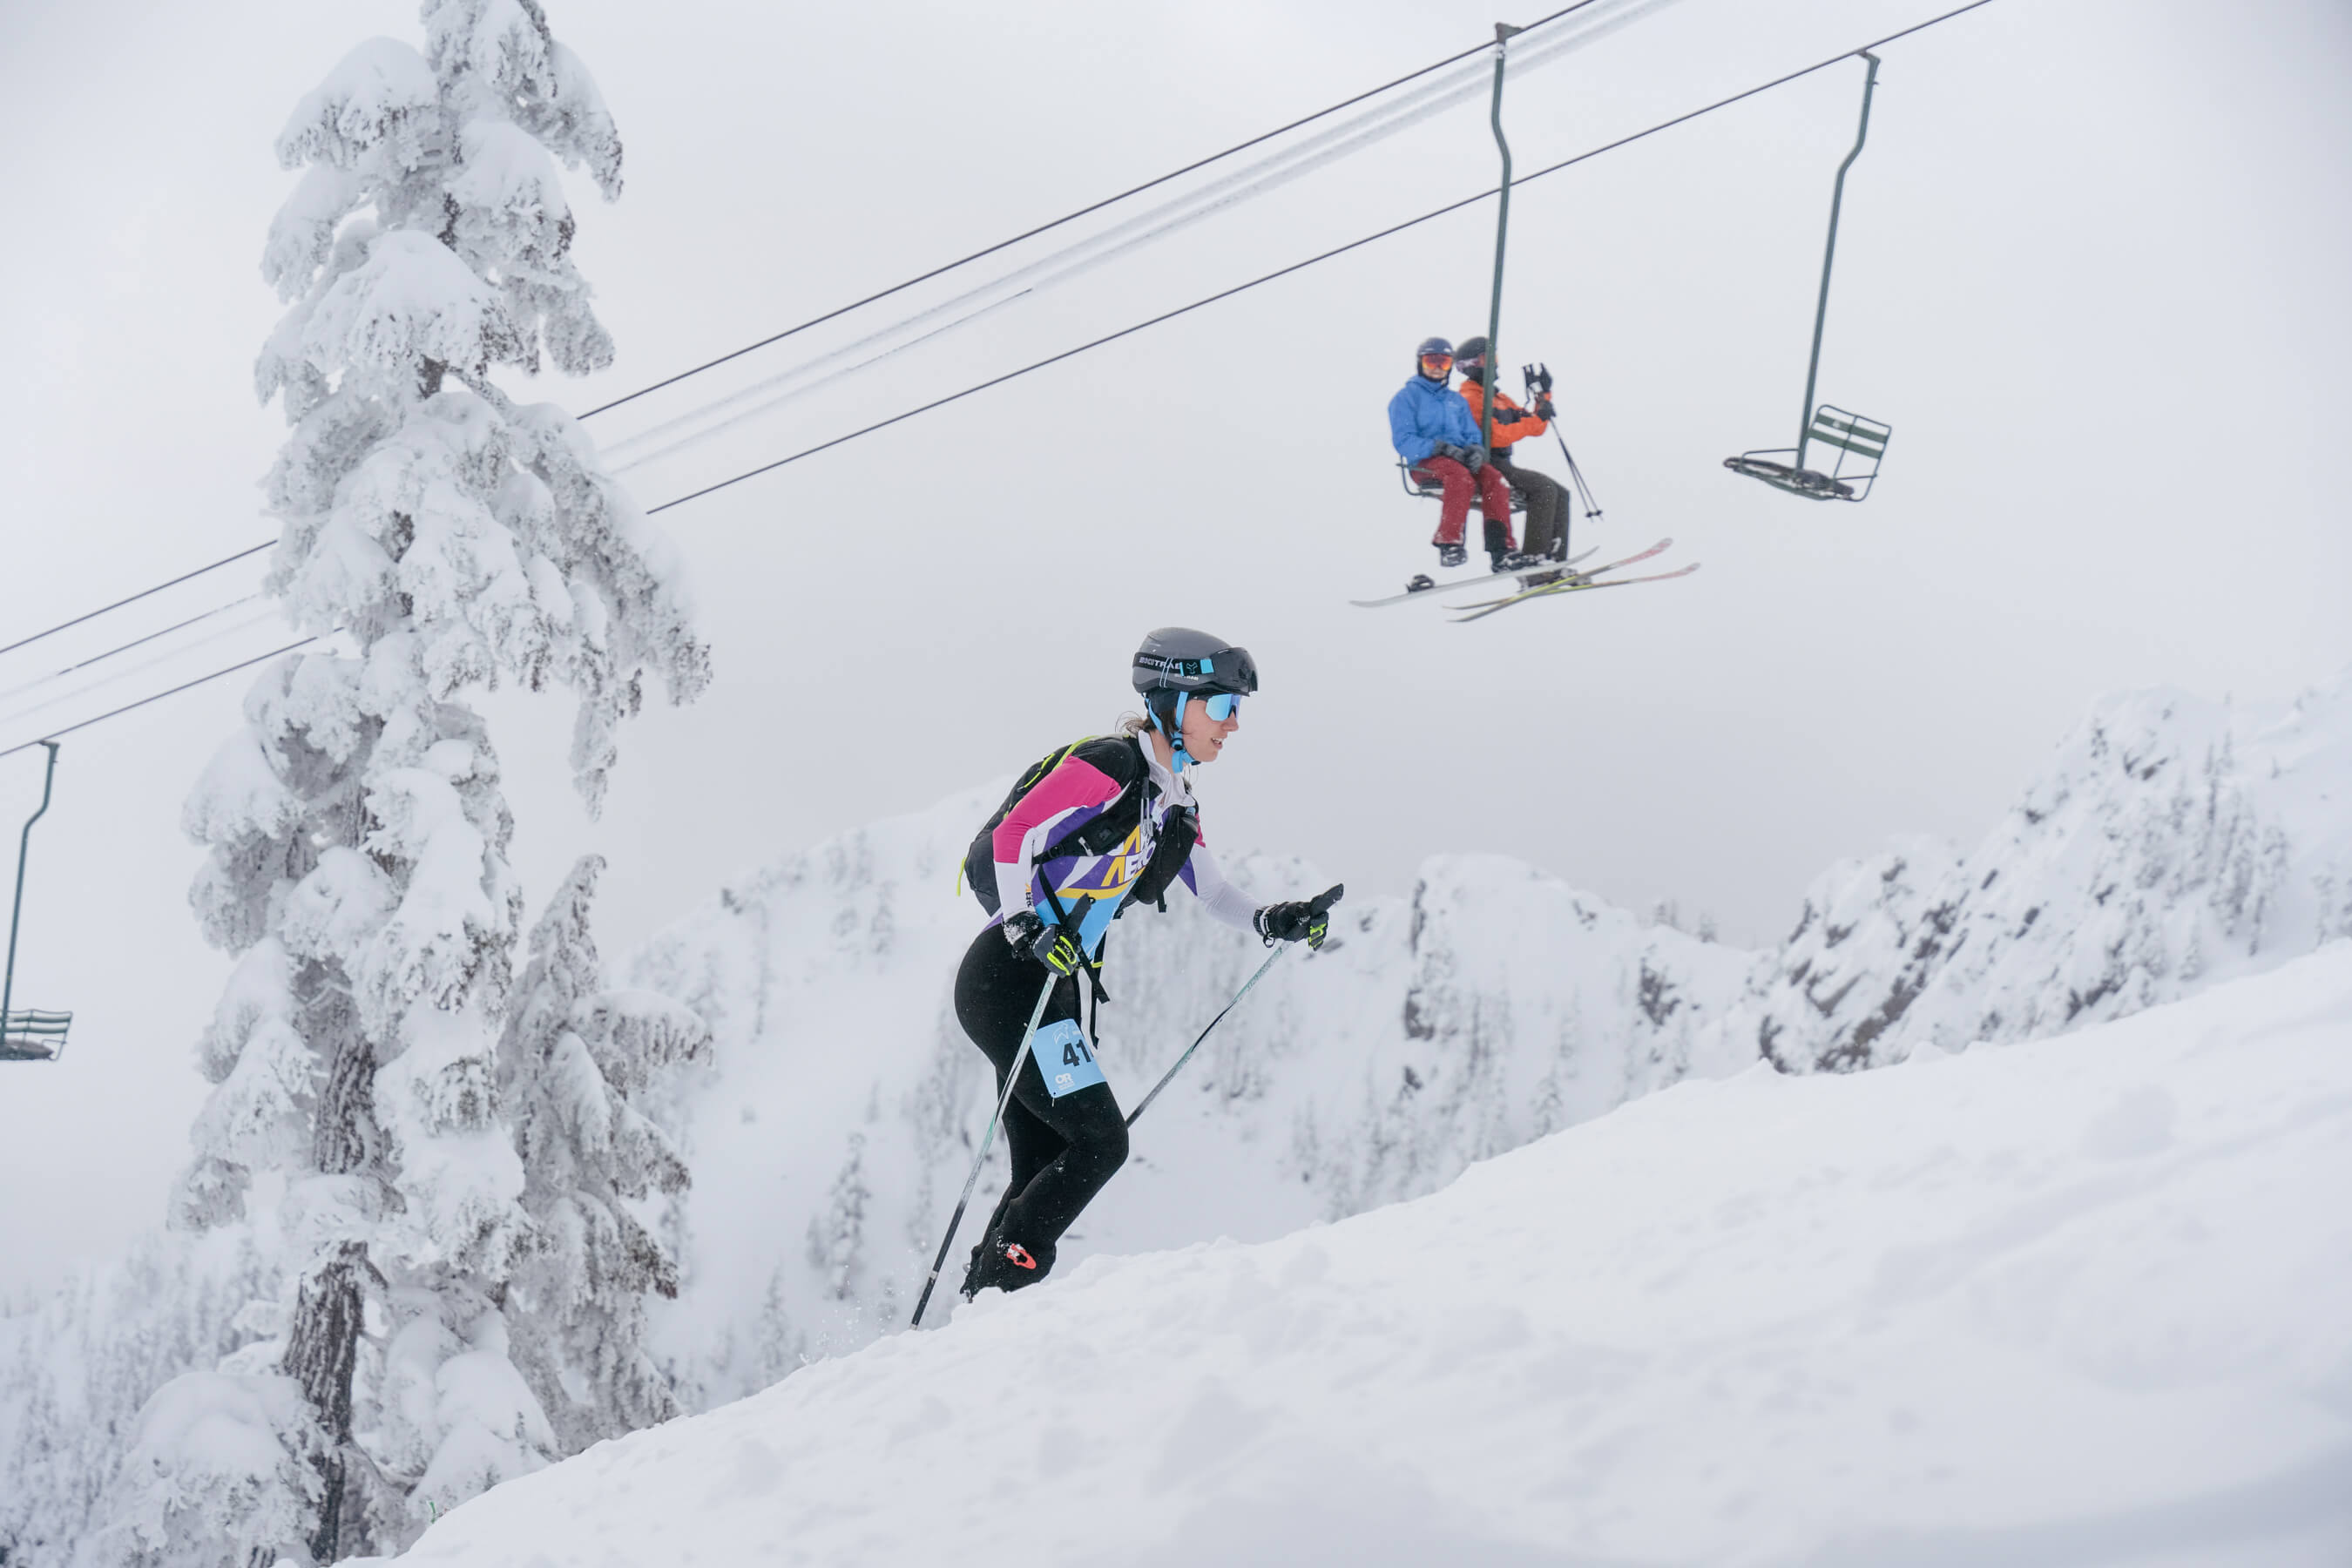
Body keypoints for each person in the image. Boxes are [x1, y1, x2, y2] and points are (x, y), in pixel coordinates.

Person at [955, 627, 1338, 1299]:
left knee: (1045, 1159)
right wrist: (1024, 926)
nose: (1235, 724)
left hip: (1055, 985)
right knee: (1101, 1142)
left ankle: (984, 1301)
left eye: (1238, 709)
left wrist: (1272, 919)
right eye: (1221, 706)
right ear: (1174, 701)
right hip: (1006, 978)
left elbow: (1213, 891)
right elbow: (1015, 831)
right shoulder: (1109, 767)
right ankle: (1002, 1284)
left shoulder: (1173, 802)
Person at [1387, 336, 1544, 577]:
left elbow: (1471, 433)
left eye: (1444, 363)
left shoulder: (1455, 401)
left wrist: (1475, 451)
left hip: (1459, 460)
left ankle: (1502, 551)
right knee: (1460, 478)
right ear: (1421, 364)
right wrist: (1438, 447)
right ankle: (1449, 543)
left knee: (1495, 479)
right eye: (1432, 362)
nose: (1438, 368)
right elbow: (1403, 440)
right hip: (1427, 463)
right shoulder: (1406, 398)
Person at [1453, 335, 1572, 568]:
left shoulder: (1499, 398)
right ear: (1472, 365)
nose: (1495, 364)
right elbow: (1496, 435)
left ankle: (1554, 562)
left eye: (1495, 358)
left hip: (1504, 463)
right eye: (1488, 358)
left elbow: (1534, 425)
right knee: (1543, 488)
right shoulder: (1471, 398)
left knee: (1561, 492)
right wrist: (1535, 420)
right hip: (1488, 463)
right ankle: (1534, 558)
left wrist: (1543, 398)